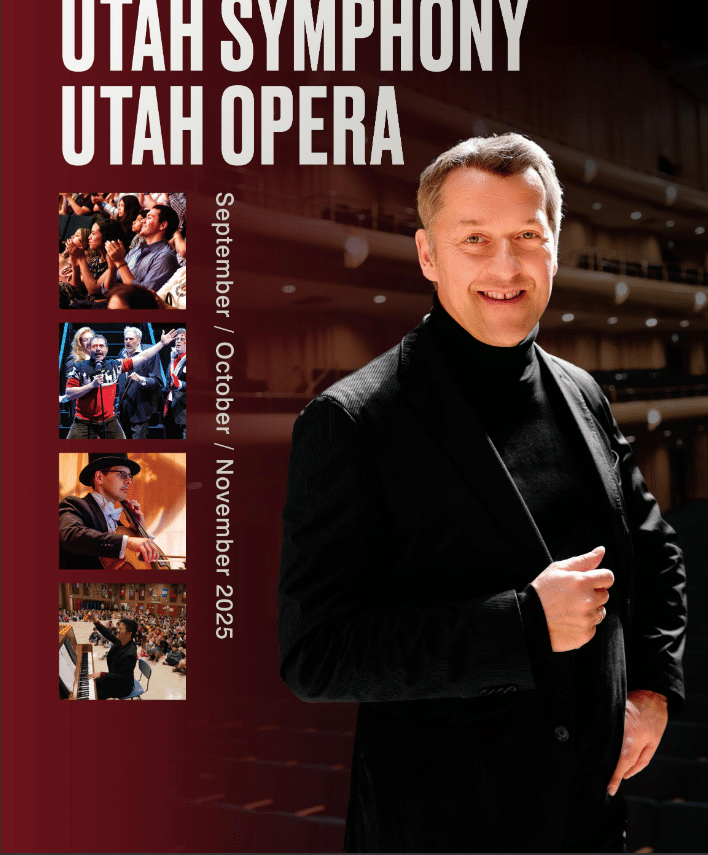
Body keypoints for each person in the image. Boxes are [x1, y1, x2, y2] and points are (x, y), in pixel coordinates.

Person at [278, 134, 687, 853]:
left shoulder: (582, 393)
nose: (506, 266)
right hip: (442, 831)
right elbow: (318, 653)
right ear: (428, 254)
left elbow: (654, 555)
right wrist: (525, 623)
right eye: (475, 239)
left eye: (528, 235)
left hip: (588, 823)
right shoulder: (351, 421)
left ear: (554, 247)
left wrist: (652, 692)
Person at [64, 328, 177, 438]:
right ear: (89, 349)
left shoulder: (115, 365)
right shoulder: (78, 367)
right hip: (83, 421)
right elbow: (69, 394)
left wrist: (161, 344)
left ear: (107, 349)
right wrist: (91, 385)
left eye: (101, 346)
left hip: (108, 420)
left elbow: (142, 356)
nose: (98, 349)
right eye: (95, 346)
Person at [59, 453, 160, 569]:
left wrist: (139, 530)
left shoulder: (120, 528)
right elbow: (72, 536)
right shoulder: (74, 504)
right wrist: (127, 542)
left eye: (130, 476)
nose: (129, 481)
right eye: (122, 474)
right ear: (99, 477)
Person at [101, 204, 179, 293]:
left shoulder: (165, 257)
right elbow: (106, 291)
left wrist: (120, 262)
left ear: (162, 225)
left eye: (149, 218)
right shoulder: (136, 250)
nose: (142, 221)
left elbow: (143, 296)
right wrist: (112, 268)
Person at [115, 326, 162, 439]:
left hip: (141, 409)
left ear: (139, 340)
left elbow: (157, 382)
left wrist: (142, 379)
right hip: (124, 410)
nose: (127, 342)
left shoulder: (149, 353)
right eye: (126, 339)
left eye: (131, 339)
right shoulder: (122, 354)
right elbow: (121, 383)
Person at [86, 611, 138, 699]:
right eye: (118, 627)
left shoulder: (130, 654)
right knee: (92, 683)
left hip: (122, 687)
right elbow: (107, 633)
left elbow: (122, 677)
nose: (117, 630)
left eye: (120, 629)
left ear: (129, 634)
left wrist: (102, 674)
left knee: (94, 694)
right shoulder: (121, 641)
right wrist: (95, 621)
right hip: (114, 678)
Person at [162, 328, 186, 438]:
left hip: (184, 412)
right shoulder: (172, 358)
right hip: (170, 408)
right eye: (177, 339)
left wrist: (180, 384)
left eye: (182, 339)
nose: (178, 341)